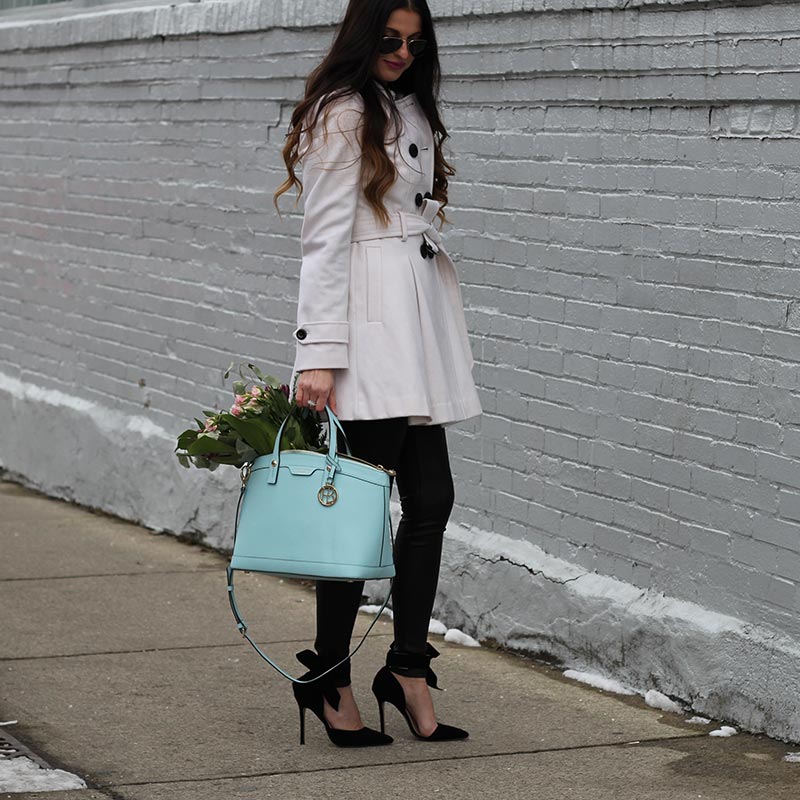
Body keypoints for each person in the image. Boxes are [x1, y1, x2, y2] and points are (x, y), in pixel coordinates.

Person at [273, 0, 482, 747]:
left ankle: (407, 668)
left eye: (415, 42)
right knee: (358, 519)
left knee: (431, 501)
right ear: (366, 37)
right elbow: (324, 240)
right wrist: (319, 356)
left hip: (415, 318)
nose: (402, 53)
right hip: (368, 331)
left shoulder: (410, 107)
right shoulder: (342, 113)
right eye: (390, 40)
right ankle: (329, 676)